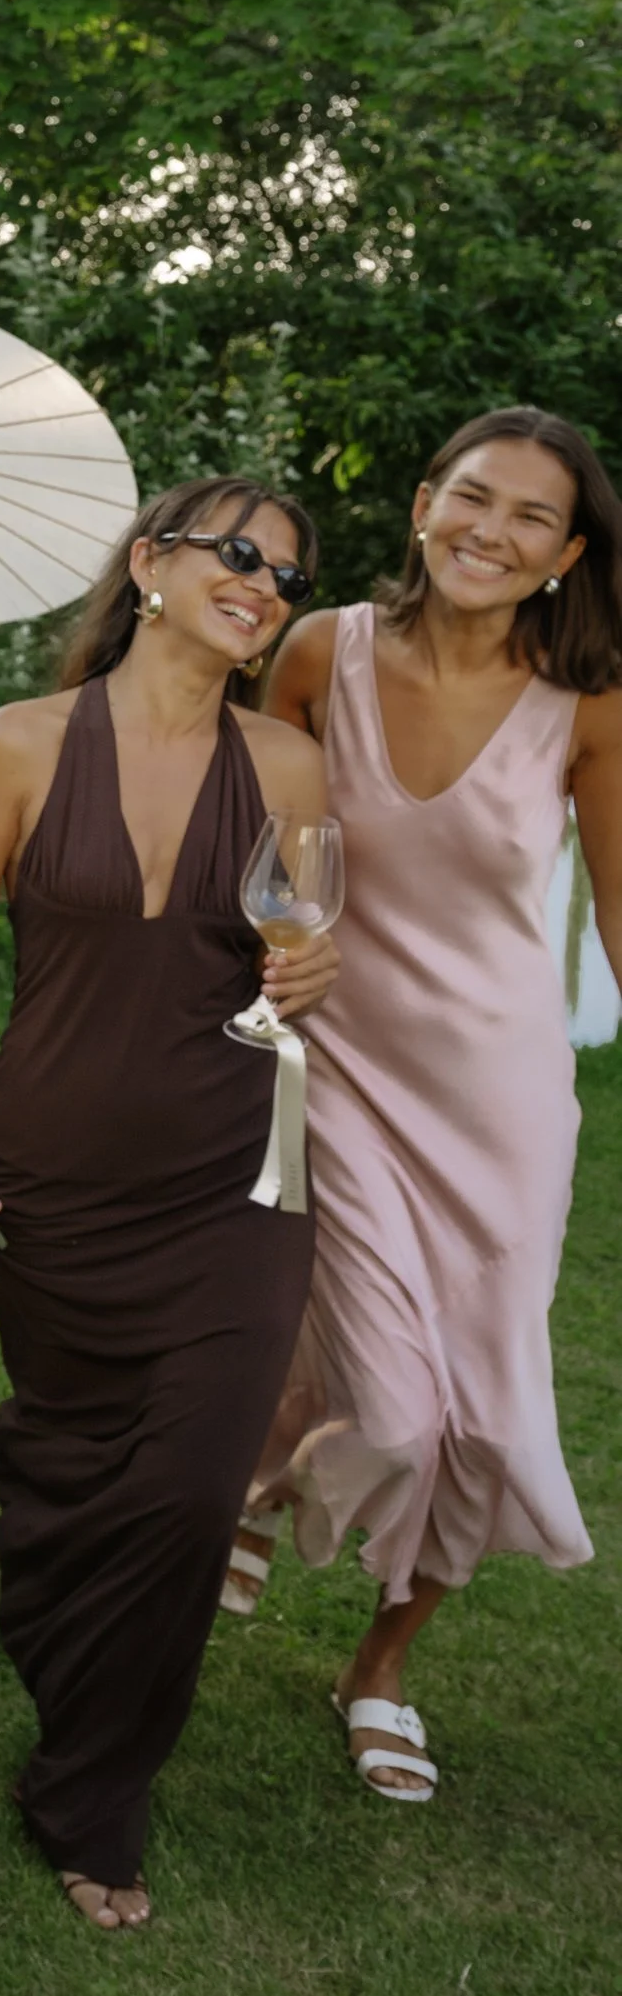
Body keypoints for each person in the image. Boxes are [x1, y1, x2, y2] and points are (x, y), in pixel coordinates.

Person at [0, 481, 341, 1930]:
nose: (265, 581)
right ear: (149, 563)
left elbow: (305, 953)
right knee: (76, 1470)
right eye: (239, 551)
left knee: (196, 1485)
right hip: (58, 1172)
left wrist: (317, 967)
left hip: (237, 1179)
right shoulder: (14, 746)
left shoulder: (290, 766)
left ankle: (95, 1793)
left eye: (286, 573)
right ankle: (70, 1660)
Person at [241, 408, 620, 1803]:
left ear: (567, 554)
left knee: (496, 1421)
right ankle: (276, 1456)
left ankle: (382, 1662)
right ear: (421, 504)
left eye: (531, 516)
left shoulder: (589, 702)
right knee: (397, 1416)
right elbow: (260, 840)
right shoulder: (318, 651)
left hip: (506, 1099)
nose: (492, 529)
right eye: (473, 496)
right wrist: (279, 938)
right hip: (339, 1064)